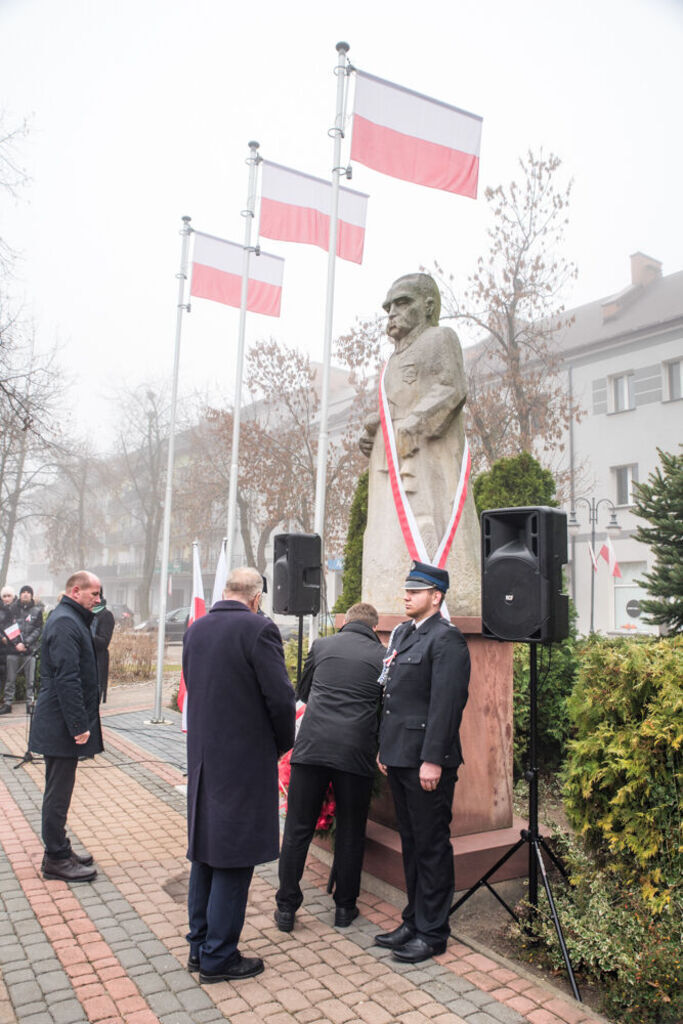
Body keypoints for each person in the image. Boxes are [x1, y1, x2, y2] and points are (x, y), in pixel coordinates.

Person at [184, 566, 295, 983]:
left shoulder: (197, 628)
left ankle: (199, 946)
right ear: (256, 597)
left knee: (206, 854)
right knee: (233, 858)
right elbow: (280, 698)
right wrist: (281, 743)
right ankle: (219, 957)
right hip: (244, 761)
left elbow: (193, 687)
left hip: (205, 759)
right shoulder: (258, 629)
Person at [359, 273, 480, 617]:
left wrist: (415, 424)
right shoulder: (393, 359)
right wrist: (374, 427)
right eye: (388, 307)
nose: (392, 312)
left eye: (402, 302)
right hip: (392, 457)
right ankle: (387, 593)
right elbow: (394, 404)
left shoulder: (440, 338)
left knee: (428, 519)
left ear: (427, 306)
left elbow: (450, 388)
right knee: (390, 527)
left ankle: (447, 597)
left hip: (427, 456)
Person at [374, 561, 470, 964]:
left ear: (436, 596)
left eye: (416, 589)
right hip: (399, 757)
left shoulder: (446, 640)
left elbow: (446, 706)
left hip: (426, 763)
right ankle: (414, 920)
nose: (406, 595)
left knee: (430, 846)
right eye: (406, 589)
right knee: (412, 843)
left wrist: (432, 760)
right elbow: (392, 698)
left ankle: (433, 933)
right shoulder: (404, 634)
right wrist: (384, 747)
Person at [275, 602, 385, 932]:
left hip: (311, 749)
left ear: (344, 623)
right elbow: (385, 706)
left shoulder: (321, 646)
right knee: (351, 832)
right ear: (374, 628)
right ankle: (344, 908)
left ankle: (286, 908)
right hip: (355, 754)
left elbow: (303, 693)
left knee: (297, 830)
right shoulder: (383, 656)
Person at [29, 571, 104, 882]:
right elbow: (66, 678)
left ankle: (60, 848)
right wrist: (78, 725)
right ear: (76, 591)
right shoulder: (64, 622)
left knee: (59, 789)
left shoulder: (71, 618)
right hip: (61, 723)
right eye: (94, 595)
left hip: (61, 721)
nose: (98, 601)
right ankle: (56, 858)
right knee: (58, 793)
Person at [1, 585, 44, 713]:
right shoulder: (12, 609)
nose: (25, 594)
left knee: (30, 680)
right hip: (12, 650)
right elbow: (7, 627)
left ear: (31, 595)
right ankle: (8, 704)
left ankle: (30, 703)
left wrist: (26, 643)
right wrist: (16, 643)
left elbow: (38, 629)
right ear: (19, 595)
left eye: (28, 592)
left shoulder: (37, 611)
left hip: (29, 651)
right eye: (23, 592)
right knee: (10, 679)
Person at [90, 591, 115, 702]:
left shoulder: (106, 615)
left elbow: (104, 641)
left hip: (98, 660)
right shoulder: (87, 612)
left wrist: (86, 634)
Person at [0, 585, 18, 699]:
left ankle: (7, 700)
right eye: (4, 596)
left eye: (9, 596)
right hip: (1, 644)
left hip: (12, 647)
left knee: (9, 676)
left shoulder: (17, 609)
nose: (6, 598)